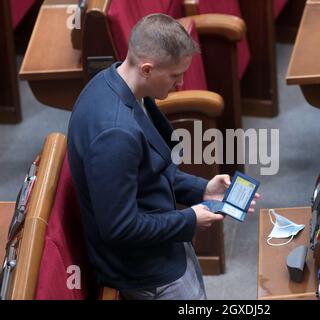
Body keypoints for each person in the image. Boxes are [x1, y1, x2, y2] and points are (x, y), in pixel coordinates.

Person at [67, 13, 259, 300]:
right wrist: (189, 219)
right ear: (146, 68)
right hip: (147, 270)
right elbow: (120, 228)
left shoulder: (120, 81)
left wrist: (202, 189)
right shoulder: (115, 134)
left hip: (162, 234)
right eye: (175, 75)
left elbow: (153, 169)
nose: (181, 82)